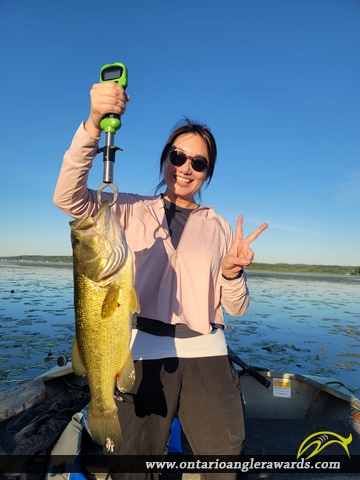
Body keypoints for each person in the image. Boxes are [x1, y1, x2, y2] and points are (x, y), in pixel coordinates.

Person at [54, 81, 268, 480]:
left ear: (207, 173)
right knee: (134, 467)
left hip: (207, 353)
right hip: (142, 352)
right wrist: (92, 125)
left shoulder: (219, 227)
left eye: (198, 163)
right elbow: (68, 198)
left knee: (224, 462)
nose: (185, 167)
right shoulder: (127, 209)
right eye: (178, 155)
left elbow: (236, 307)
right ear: (165, 159)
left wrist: (232, 273)